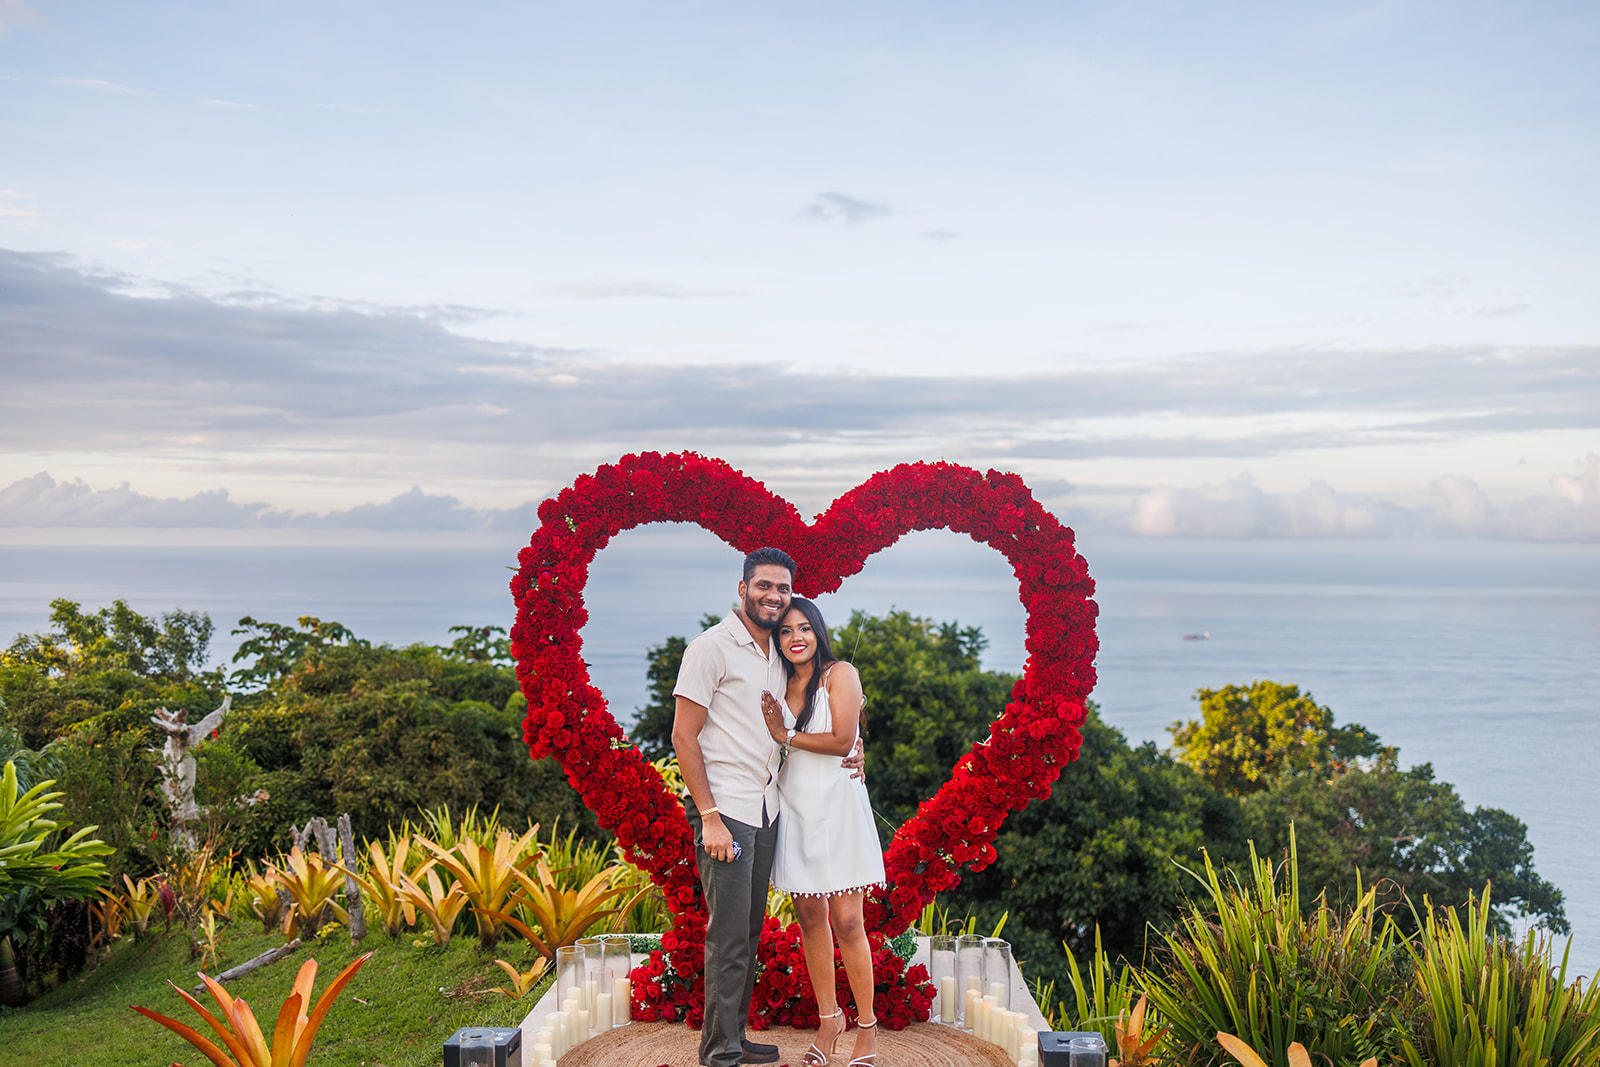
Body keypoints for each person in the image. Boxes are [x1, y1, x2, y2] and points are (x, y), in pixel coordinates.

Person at [672, 548, 863, 1067]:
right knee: (728, 935)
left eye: (782, 588)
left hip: (767, 808)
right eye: (764, 586)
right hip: (725, 810)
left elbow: (815, 710)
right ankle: (719, 1054)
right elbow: (683, 737)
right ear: (742, 589)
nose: (773, 597)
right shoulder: (710, 648)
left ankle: (735, 1037)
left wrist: (855, 744)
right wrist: (708, 816)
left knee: (748, 931)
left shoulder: (779, 652)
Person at [760, 597, 885, 1067]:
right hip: (794, 805)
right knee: (810, 920)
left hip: (837, 804)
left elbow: (839, 741)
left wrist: (785, 736)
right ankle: (829, 1019)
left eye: (804, 628)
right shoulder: (777, 681)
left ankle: (868, 1029)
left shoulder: (840, 673)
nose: (796, 637)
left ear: (817, 631)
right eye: (787, 630)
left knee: (848, 921)